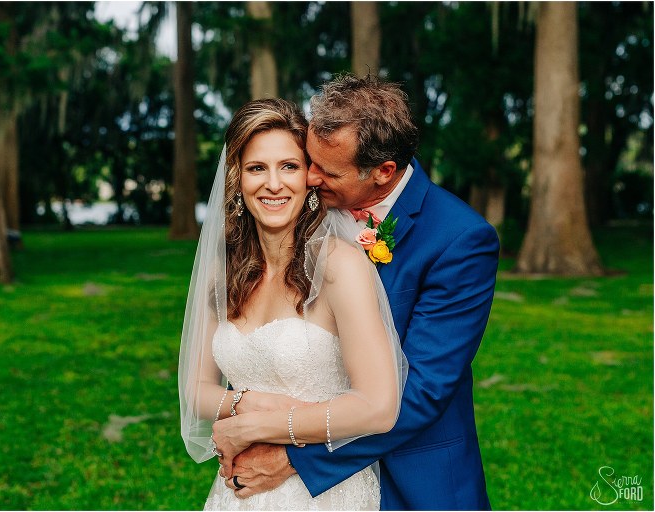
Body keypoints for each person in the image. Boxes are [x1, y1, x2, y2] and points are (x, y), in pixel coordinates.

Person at [224, 75, 500, 510]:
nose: (310, 179)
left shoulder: (460, 240)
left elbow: (422, 391)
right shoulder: (307, 213)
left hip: (413, 481)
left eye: (326, 170)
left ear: (383, 172)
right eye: (308, 161)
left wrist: (297, 457)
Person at [178, 98, 409, 510]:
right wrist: (245, 403)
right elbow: (195, 389)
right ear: (237, 178)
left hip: (325, 493)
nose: (273, 183)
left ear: (310, 177)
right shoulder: (223, 271)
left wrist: (255, 427)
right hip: (240, 493)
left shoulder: (339, 266)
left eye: (288, 166)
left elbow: (379, 407)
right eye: (256, 168)